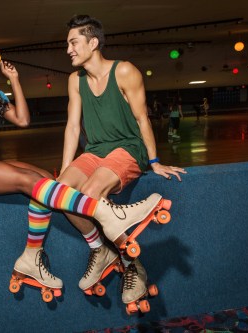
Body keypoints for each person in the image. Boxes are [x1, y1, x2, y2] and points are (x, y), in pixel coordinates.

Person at [0, 42, 161, 299]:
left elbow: (23, 120)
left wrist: (14, 79)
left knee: (49, 181)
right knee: (27, 181)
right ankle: (107, 214)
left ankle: (55, 252)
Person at [59, 15, 186, 308]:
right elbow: (73, 127)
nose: (68, 50)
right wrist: (66, 168)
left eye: (73, 42)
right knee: (61, 193)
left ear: (93, 43)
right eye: (67, 44)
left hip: (128, 148)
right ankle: (99, 248)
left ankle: (132, 263)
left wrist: (154, 162)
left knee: (90, 194)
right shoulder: (74, 81)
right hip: (95, 151)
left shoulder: (125, 71)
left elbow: (143, 119)